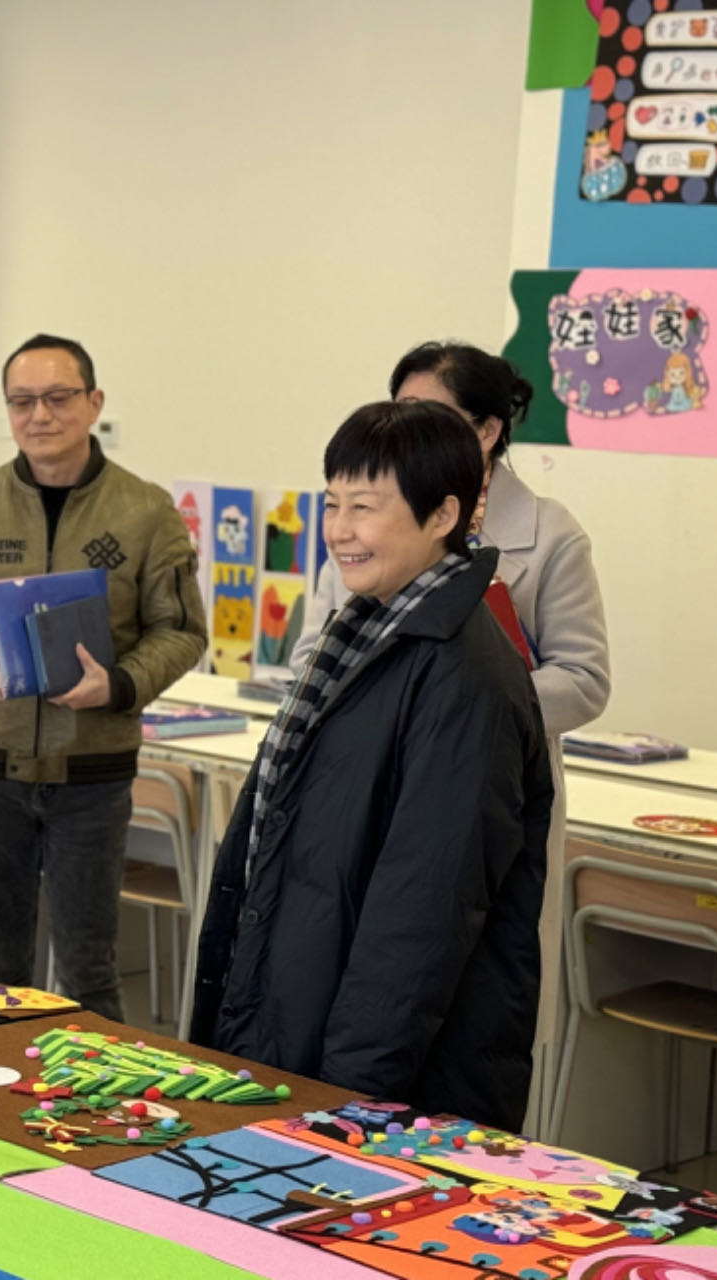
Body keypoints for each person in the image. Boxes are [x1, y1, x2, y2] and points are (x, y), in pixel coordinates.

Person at [194, 400, 555, 1131]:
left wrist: (347, 1106)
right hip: (302, 1024)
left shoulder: (465, 678)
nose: (339, 530)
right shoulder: (359, 635)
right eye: (332, 504)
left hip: (386, 1081)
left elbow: (422, 919)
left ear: (443, 515)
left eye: (365, 506)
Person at [289, 341, 608, 1122]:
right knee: (359, 986)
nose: (407, 429)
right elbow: (311, 654)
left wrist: (450, 706)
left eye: (431, 414)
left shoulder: (549, 534)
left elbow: (585, 679)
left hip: (480, 788)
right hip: (364, 786)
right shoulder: (368, 520)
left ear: (489, 430)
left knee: (461, 1000)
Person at [0, 334, 206, 1020]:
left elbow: (183, 631)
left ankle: (94, 1087)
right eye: (22, 401)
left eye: (59, 397)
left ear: (94, 403)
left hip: (91, 777)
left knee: (88, 969)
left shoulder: (146, 511)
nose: (40, 415)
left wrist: (118, 683)